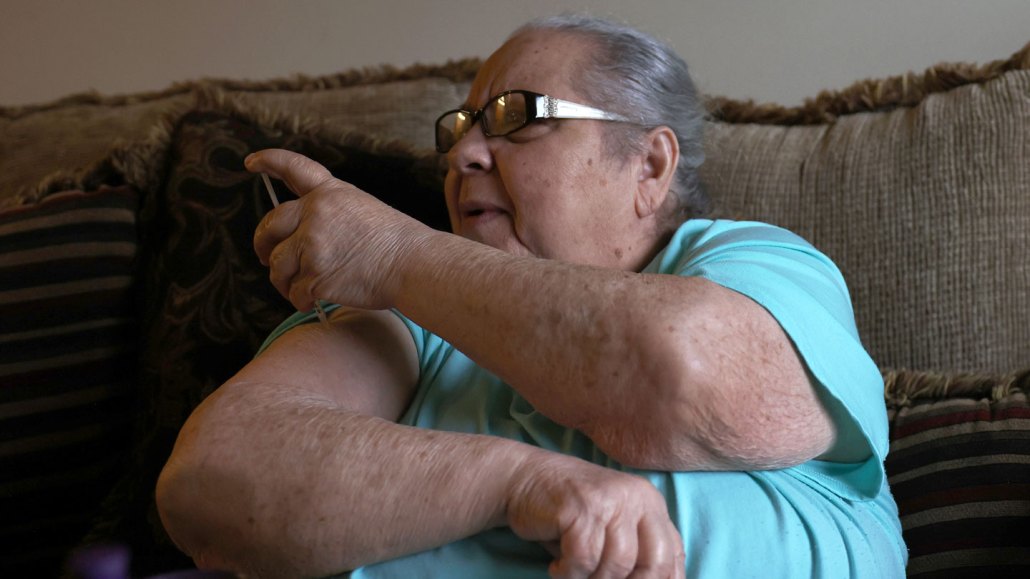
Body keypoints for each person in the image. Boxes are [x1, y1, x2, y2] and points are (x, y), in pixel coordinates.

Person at [155, 15, 907, 579]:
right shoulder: (398, 315)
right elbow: (210, 481)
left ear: (649, 165)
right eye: (459, 129)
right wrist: (519, 482)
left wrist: (396, 248)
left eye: (517, 118)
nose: (465, 153)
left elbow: (683, 378)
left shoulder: (753, 264)